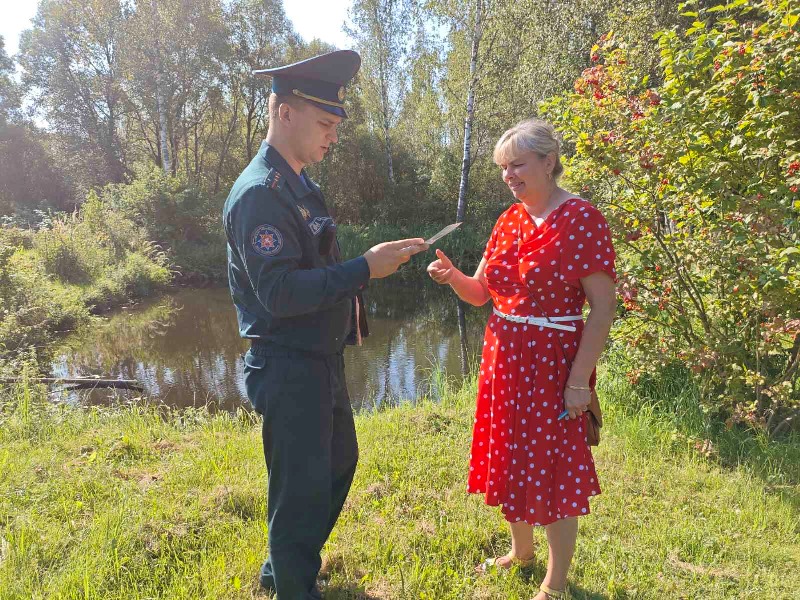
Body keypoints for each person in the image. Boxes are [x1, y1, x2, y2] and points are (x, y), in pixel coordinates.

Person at [223, 49, 426, 599]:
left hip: (319, 357)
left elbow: (315, 263)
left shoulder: (299, 184)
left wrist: (375, 258)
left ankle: (286, 568)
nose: (332, 136)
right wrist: (364, 268)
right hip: (288, 362)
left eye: (336, 125)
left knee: (336, 465)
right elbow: (281, 293)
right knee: (301, 488)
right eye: (325, 123)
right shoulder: (261, 194)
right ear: (284, 113)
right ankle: (293, 586)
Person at [427, 118, 616, 600]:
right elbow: (481, 293)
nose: (509, 176)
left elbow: (603, 307)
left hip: (553, 363)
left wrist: (579, 382)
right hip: (504, 359)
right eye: (502, 168)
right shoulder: (508, 220)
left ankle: (555, 582)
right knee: (510, 456)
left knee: (553, 467)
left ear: (548, 162)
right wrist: (452, 276)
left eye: (517, 165)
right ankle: (522, 552)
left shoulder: (581, 219)